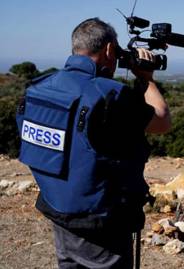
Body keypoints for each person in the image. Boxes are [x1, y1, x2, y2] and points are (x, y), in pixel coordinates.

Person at [16, 18, 171, 268]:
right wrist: (146, 78)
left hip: (58, 207)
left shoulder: (39, 87)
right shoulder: (109, 95)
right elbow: (162, 121)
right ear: (109, 50)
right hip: (100, 220)